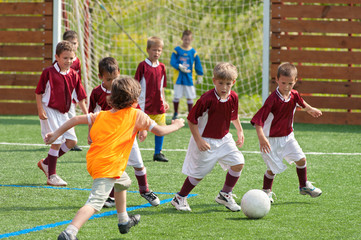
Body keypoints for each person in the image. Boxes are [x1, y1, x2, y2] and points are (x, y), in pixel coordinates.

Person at [51, 76, 185, 239]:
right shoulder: (136, 115)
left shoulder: (101, 115)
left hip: (97, 161)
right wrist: (177, 125)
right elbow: (160, 131)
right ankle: (69, 232)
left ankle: (123, 221)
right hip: (108, 167)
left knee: (124, 181)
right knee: (95, 203)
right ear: (135, 100)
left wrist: (55, 134)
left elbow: (75, 119)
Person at [171, 62, 245, 212]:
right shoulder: (206, 99)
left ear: (233, 83)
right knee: (198, 175)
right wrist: (199, 140)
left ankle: (225, 194)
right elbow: (191, 120)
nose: (224, 87)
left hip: (224, 139)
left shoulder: (233, 97)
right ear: (214, 81)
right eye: (221, 83)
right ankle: (180, 197)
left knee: (238, 163)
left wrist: (240, 131)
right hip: (205, 140)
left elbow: (233, 116)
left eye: (228, 84)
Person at [89, 57, 160, 208]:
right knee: (110, 167)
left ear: (119, 73)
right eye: (108, 79)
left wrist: (142, 129)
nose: (112, 82)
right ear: (100, 77)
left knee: (139, 165)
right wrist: (90, 133)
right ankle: (110, 196)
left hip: (128, 135)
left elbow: (136, 110)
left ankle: (145, 190)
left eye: (115, 78)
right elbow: (92, 115)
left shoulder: (124, 89)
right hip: (108, 138)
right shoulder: (96, 93)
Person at [250, 62, 322, 204]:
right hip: (271, 140)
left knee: (301, 159)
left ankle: (303, 186)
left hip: (288, 137)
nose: (287, 86)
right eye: (283, 83)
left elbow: (302, 103)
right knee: (272, 169)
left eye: (290, 83)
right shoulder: (272, 100)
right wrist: (262, 138)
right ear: (277, 80)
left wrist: (311, 109)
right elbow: (258, 121)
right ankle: (266, 192)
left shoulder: (294, 94)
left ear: (295, 81)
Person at [35, 40, 87, 186]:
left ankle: (46, 163)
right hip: (49, 110)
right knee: (56, 142)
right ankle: (52, 176)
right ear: (57, 57)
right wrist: (40, 109)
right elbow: (38, 92)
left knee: (72, 141)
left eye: (71, 58)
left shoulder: (74, 75)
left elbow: (81, 98)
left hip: (64, 112)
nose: (68, 61)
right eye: (65, 58)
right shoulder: (48, 72)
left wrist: (88, 116)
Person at [134, 36, 170, 162]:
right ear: (148, 50)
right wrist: (135, 102)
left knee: (161, 128)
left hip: (158, 104)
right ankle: (127, 152)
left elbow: (162, 87)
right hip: (143, 106)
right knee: (135, 129)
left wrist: (164, 100)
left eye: (159, 50)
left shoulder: (162, 67)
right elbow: (135, 85)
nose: (157, 53)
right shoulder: (142, 66)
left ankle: (158, 153)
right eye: (154, 50)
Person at [170, 30, 204, 120]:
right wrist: (179, 66)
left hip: (189, 78)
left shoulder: (193, 52)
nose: (187, 41)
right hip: (178, 77)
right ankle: (175, 113)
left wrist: (200, 75)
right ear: (182, 39)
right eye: (185, 39)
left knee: (190, 97)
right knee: (177, 96)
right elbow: (172, 61)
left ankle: (190, 114)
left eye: (189, 39)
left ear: (191, 39)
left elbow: (198, 64)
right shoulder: (177, 50)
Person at [63, 30, 83, 151]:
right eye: (69, 43)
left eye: (74, 43)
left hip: (73, 93)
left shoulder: (77, 61)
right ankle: (69, 141)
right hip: (63, 94)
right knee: (69, 117)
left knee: (71, 116)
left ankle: (70, 141)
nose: (72, 46)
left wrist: (79, 93)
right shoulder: (61, 60)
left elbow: (78, 79)